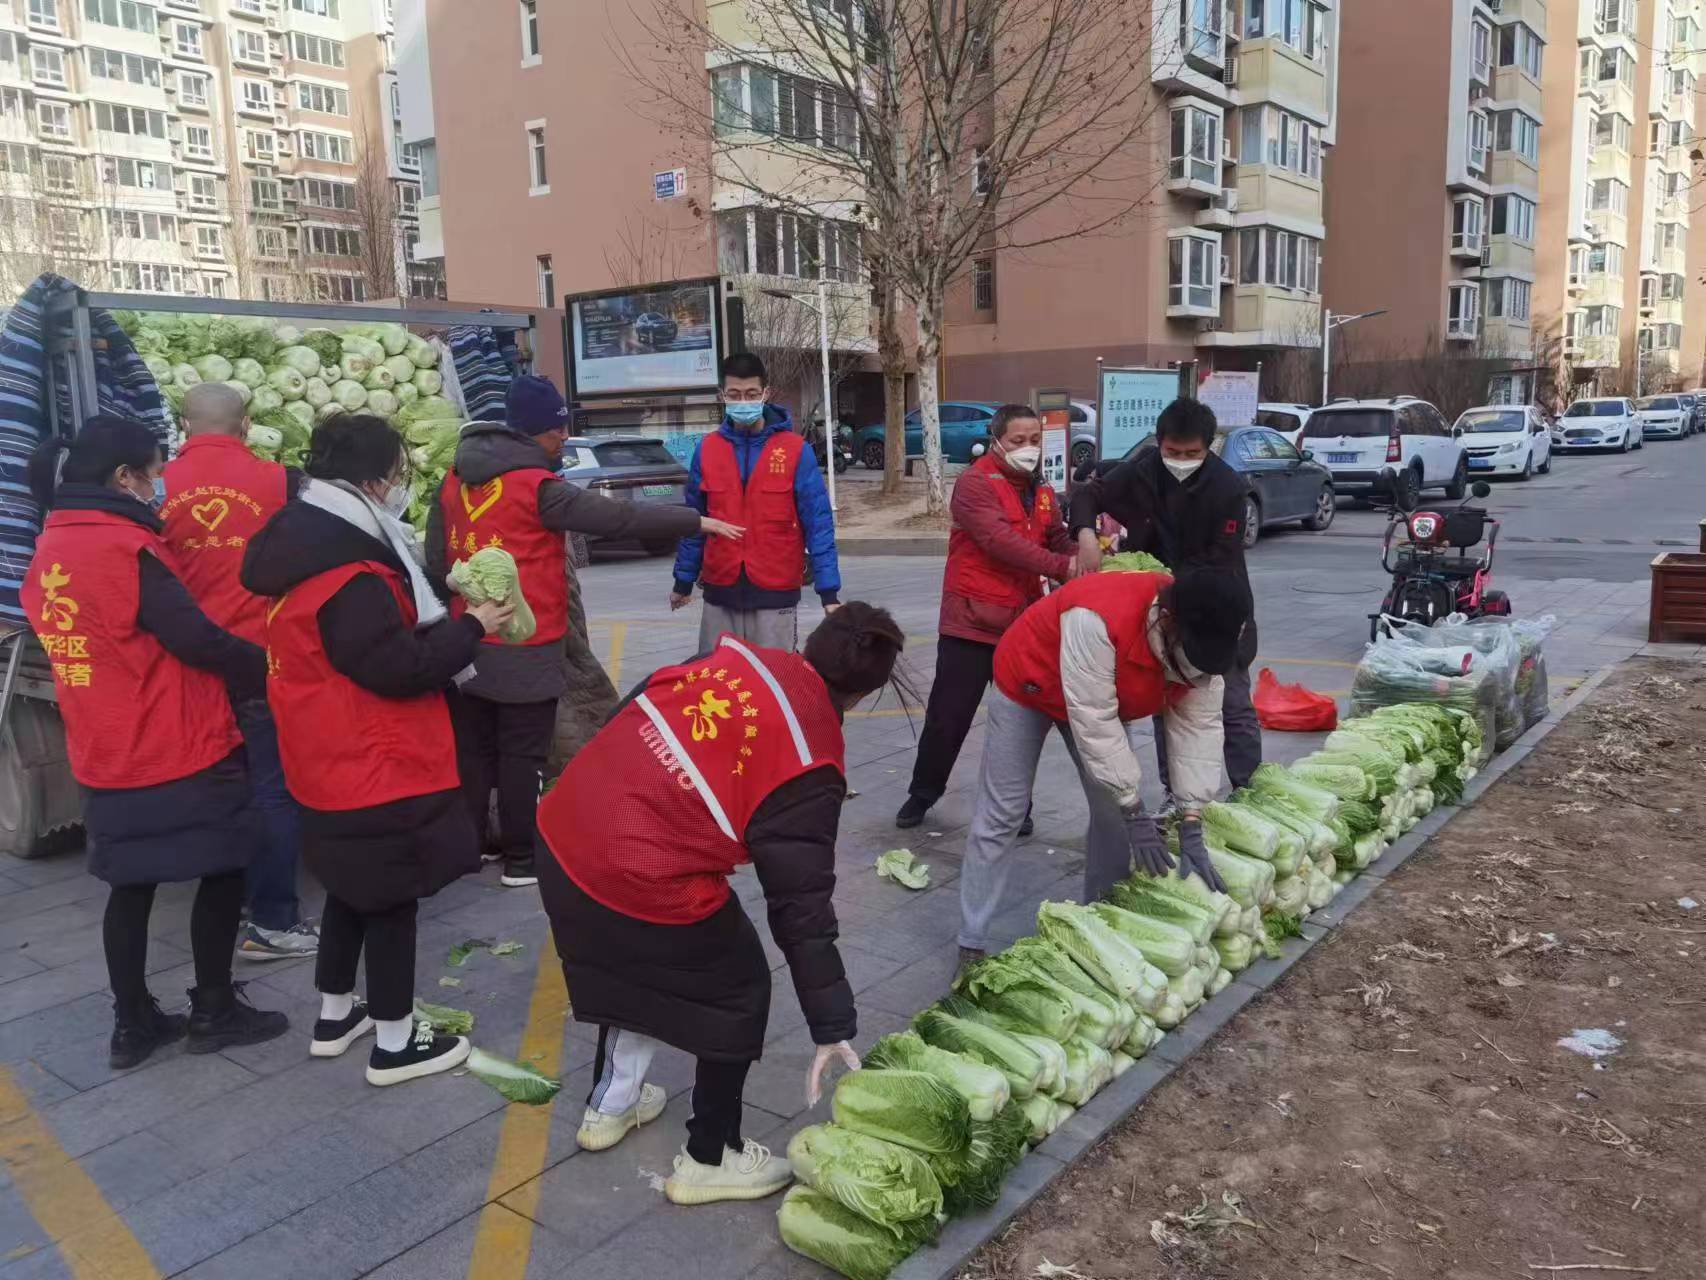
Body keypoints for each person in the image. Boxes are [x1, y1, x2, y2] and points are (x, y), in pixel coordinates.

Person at [535, 604, 906, 1205]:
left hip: (563, 830)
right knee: (739, 985)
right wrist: (832, 1024)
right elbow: (801, 904)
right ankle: (712, 1156)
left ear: (810, 645)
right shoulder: (813, 753)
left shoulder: (736, 658)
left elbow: (635, 708)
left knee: (628, 959)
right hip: (639, 864)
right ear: (864, 695)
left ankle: (611, 1107)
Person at [242, 415, 513, 1086]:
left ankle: (337, 1016)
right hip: (371, 761)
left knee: (349, 889)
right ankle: (395, 1042)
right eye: (397, 474)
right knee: (390, 898)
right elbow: (396, 668)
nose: (399, 487)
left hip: (324, 758)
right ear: (373, 480)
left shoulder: (304, 548)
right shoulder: (351, 573)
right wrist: (473, 625)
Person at [23, 416, 290, 1070]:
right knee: (226, 866)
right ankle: (214, 1008)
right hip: (174, 739)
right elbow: (195, 638)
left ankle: (133, 1022)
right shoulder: (123, 548)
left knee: (131, 884)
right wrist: (269, 664)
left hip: (102, 742)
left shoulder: (52, 544)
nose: (159, 484)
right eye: (153, 471)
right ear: (124, 477)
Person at [425, 374, 739, 889]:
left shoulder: (453, 480)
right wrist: (696, 522)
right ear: (536, 432)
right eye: (558, 429)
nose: (563, 438)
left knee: (478, 749)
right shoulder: (538, 487)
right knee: (523, 755)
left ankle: (474, 846)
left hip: (470, 638)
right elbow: (618, 518)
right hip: (527, 642)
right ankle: (523, 861)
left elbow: (437, 560)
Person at [957, 566, 1248, 966]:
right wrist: (1133, 806)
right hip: (1030, 680)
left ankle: (1101, 920)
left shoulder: (1206, 643)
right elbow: (1094, 720)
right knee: (1003, 812)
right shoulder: (1097, 617)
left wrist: (1193, 816)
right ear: (1168, 623)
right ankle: (971, 939)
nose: (1195, 672)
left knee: (1111, 814)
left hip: (1099, 700)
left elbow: (1199, 729)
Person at [160, 382, 318, 961]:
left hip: (188, 662)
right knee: (272, 789)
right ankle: (272, 918)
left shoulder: (153, 487)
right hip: (261, 659)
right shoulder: (281, 482)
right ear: (246, 424)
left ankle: (220, 908)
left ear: (184, 427)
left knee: (215, 787)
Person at [1069, 398, 1262, 795]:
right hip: (1160, 611)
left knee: (1232, 702)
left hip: (1216, 607)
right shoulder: (1142, 471)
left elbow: (1220, 558)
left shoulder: (1228, 489)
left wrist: (1163, 584)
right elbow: (1088, 496)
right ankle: (1175, 793)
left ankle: (1250, 787)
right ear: (1159, 443)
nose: (1181, 460)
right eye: (1173, 452)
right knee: (1167, 701)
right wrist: (1086, 533)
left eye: (1193, 453)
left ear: (1209, 448)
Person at [896, 404, 1074, 834]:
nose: (1028, 448)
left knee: (1021, 721)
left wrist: (1081, 557)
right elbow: (1000, 541)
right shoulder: (975, 484)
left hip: (1024, 625)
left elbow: (1056, 535)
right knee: (948, 716)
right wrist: (1061, 566)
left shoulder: (1041, 488)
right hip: (971, 622)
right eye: (1018, 440)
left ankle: (1018, 807)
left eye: (1034, 440)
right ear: (996, 440)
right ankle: (922, 793)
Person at [671, 352, 841, 652]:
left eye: (751, 394)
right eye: (734, 395)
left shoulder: (794, 451)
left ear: (766, 393)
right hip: (720, 591)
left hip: (776, 593)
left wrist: (829, 593)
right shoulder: (708, 450)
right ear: (722, 395)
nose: (743, 402)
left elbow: (818, 523)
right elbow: (694, 520)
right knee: (719, 687)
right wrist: (683, 581)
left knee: (774, 684)